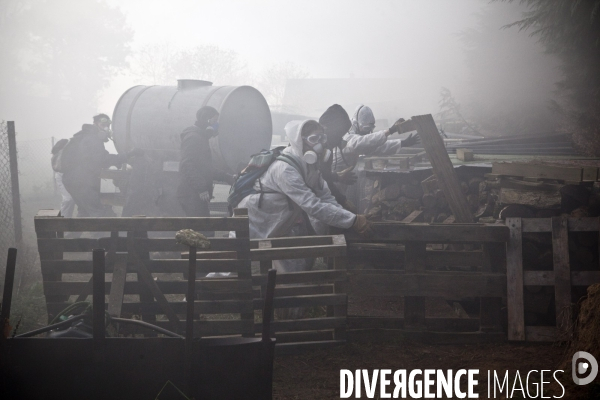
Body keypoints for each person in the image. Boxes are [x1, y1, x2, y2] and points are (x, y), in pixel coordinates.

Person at [237, 119, 372, 270]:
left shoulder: (311, 165)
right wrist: (351, 220)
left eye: (322, 138)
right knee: (236, 264)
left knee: (290, 269)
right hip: (258, 218)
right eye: (314, 139)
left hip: (280, 220)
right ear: (299, 142)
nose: (320, 144)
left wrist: (347, 217)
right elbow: (312, 205)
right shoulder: (286, 169)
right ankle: (210, 290)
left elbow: (325, 197)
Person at [61, 114, 143, 217]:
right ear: (95, 124)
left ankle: (74, 232)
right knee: (99, 213)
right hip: (81, 181)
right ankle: (100, 233)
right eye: (103, 125)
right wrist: (129, 154)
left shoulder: (84, 136)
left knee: (84, 211)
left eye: (108, 125)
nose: (106, 128)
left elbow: (94, 160)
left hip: (71, 180)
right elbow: (104, 159)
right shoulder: (92, 139)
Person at [177, 106, 234, 218]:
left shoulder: (201, 138)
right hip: (192, 195)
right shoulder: (193, 138)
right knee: (202, 231)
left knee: (204, 230)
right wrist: (201, 188)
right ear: (206, 121)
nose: (216, 125)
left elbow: (205, 168)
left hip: (195, 195)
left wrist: (227, 177)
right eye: (214, 121)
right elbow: (186, 165)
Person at [332, 104, 419, 174]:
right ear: (356, 124)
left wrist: (402, 143)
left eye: (369, 129)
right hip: (333, 176)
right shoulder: (347, 138)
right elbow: (363, 142)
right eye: (366, 128)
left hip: (343, 177)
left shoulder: (357, 140)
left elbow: (377, 147)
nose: (367, 131)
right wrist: (390, 131)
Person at [318, 104, 357, 212]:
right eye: (338, 135)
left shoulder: (325, 150)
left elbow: (322, 175)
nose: (339, 140)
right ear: (327, 129)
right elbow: (317, 184)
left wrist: (336, 177)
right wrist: (343, 201)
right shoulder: (311, 150)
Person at [51, 138, 75, 218]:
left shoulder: (66, 153)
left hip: (69, 176)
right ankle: (63, 220)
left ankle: (67, 220)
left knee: (71, 200)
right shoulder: (59, 155)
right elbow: (58, 168)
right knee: (68, 199)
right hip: (61, 176)